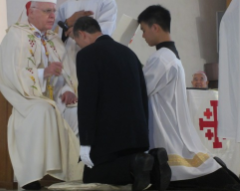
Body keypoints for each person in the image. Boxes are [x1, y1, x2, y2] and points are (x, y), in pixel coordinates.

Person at [0, 0, 83, 190]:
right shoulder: (17, 36)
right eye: (47, 11)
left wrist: (66, 92)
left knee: (78, 110)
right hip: (23, 98)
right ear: (31, 11)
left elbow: (65, 77)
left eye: (54, 11)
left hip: (52, 100)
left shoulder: (55, 40)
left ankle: (76, 173)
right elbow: (13, 74)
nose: (53, 16)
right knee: (43, 111)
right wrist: (44, 72)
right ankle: (33, 178)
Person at [139, 5, 240, 190]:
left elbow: (139, 89)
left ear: (155, 27)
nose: (143, 36)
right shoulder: (172, 57)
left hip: (166, 132)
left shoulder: (160, 58)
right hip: (175, 128)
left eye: (143, 30)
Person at [72, 16, 171, 191]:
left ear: (82, 34)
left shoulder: (86, 55)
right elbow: (142, 95)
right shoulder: (129, 53)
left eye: (76, 40)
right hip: (136, 135)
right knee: (134, 167)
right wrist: (144, 137)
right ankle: (152, 162)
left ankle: (134, 164)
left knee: (91, 176)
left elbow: (87, 100)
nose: (78, 45)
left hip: (109, 136)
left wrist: (86, 143)